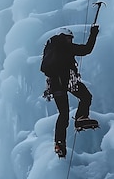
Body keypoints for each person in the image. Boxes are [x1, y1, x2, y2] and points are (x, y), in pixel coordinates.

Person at [41, 25, 99, 157]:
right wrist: (93, 33)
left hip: (54, 84)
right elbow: (86, 49)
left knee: (63, 114)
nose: (70, 41)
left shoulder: (50, 47)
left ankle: (59, 143)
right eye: (69, 38)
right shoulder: (64, 45)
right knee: (86, 97)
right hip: (67, 81)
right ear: (64, 37)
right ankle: (80, 118)